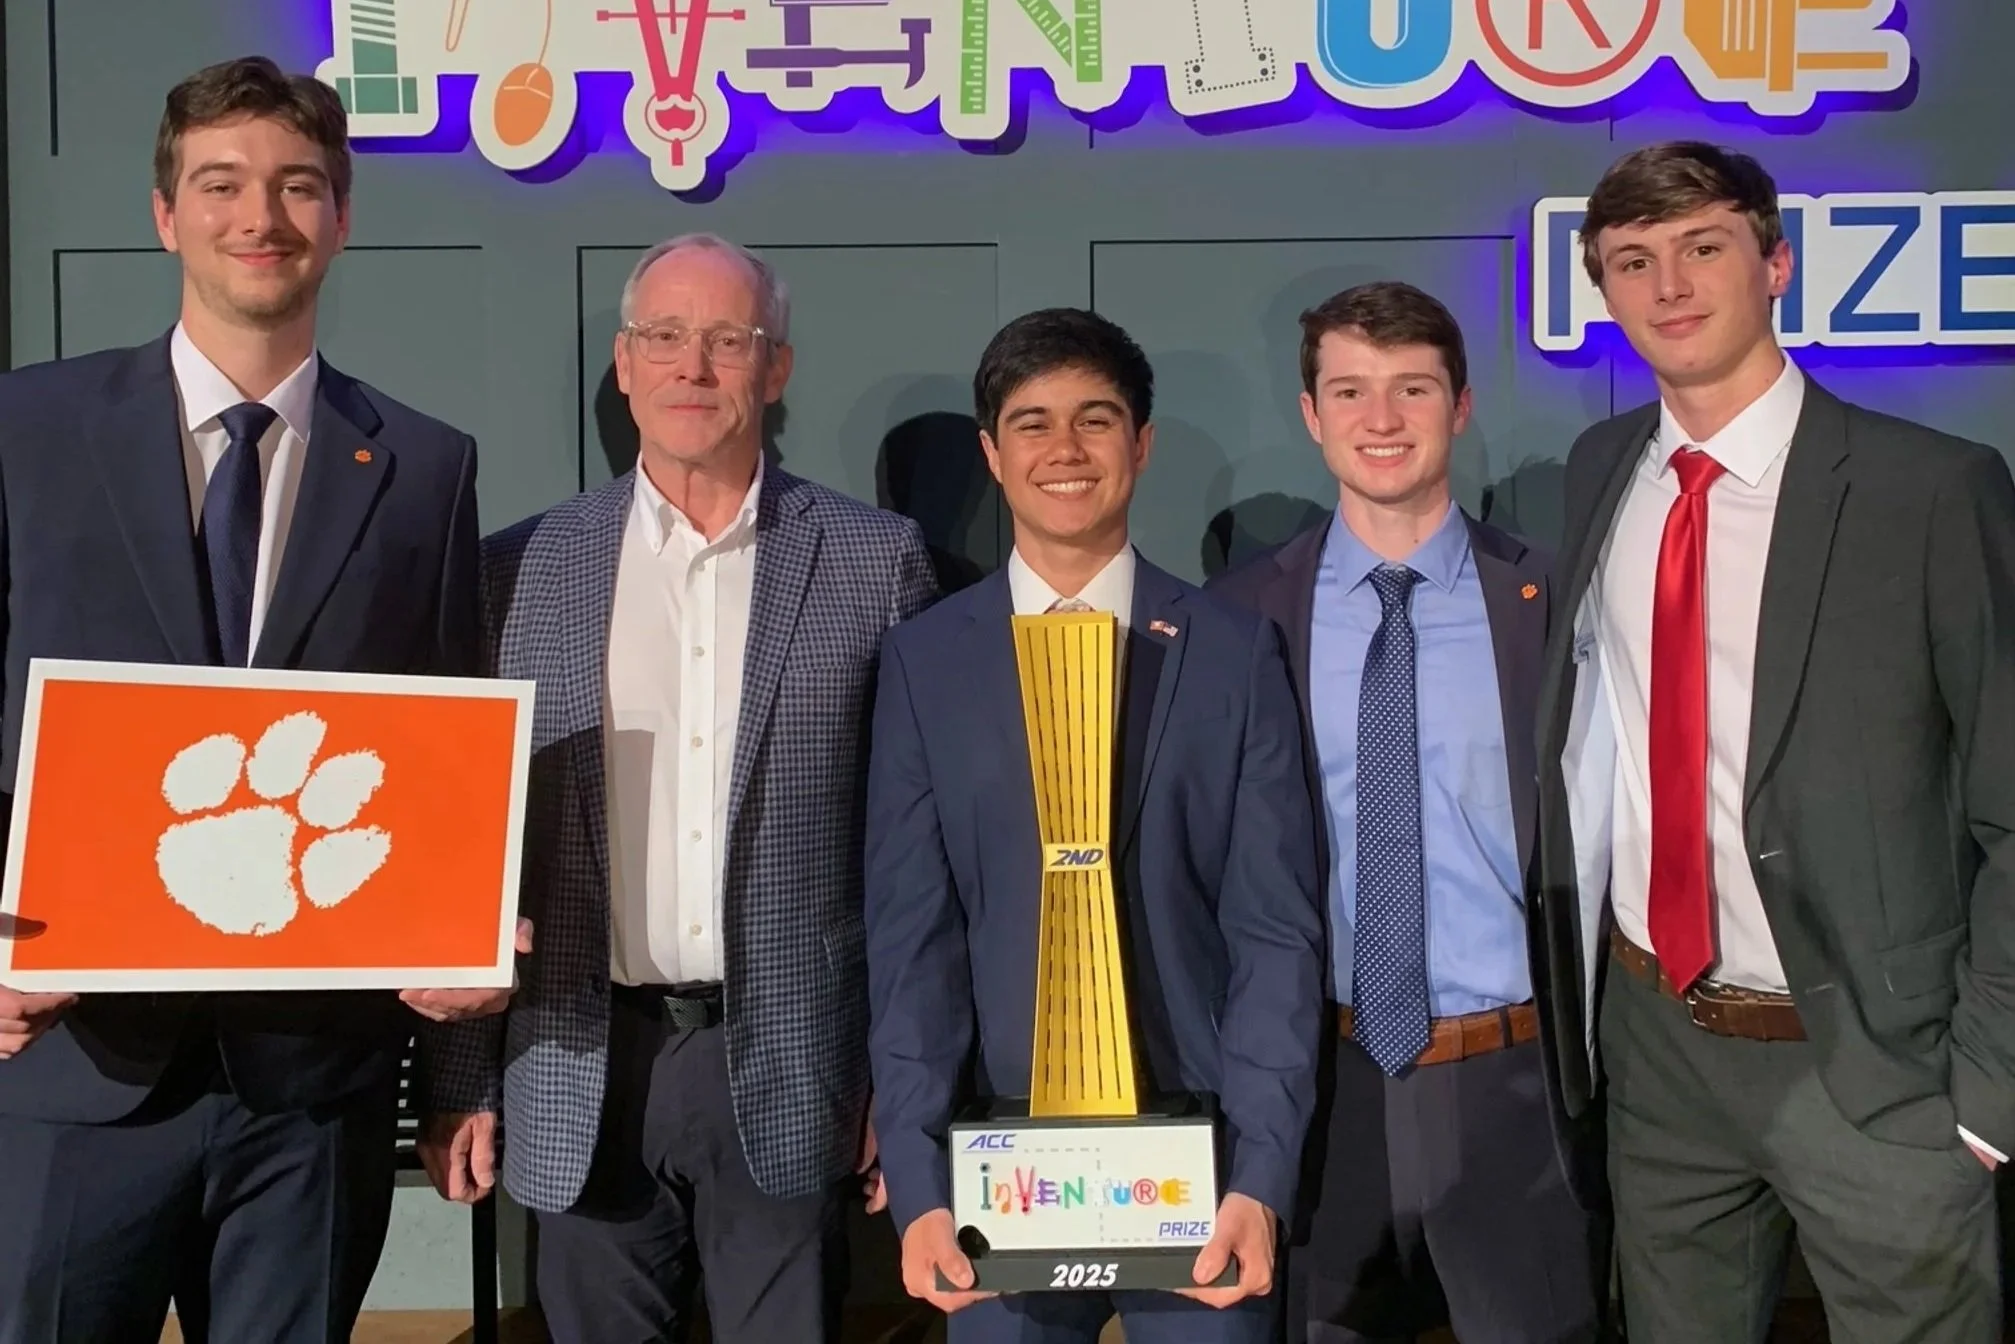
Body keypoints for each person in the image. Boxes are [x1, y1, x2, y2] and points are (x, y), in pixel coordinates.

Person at [0, 55, 512, 1344]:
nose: (260, 217)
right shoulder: (27, 428)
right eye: (220, 183)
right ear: (165, 213)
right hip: (73, 1065)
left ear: (340, 216)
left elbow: (441, 750)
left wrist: (458, 970)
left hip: (312, 1083)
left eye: (296, 186)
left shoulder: (422, 467)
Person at [1531, 139, 2015, 1341]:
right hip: (1658, 1047)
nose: (1669, 286)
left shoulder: (1928, 488)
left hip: (1872, 1065)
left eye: (1703, 247)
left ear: (1775, 262)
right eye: (1631, 261)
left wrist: (1986, 1088)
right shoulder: (1602, 469)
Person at [418, 232, 939, 1343]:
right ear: (623, 362)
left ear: (777, 368)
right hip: (575, 1057)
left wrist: (907, 1086)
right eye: (663, 337)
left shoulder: (872, 560)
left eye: (725, 340)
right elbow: (472, 839)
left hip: (796, 1062)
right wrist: (457, 1075)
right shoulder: (521, 567)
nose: (690, 366)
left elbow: (910, 859)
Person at [863, 307, 1326, 1344]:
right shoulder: (924, 663)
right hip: (999, 1165)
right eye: (1030, 423)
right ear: (990, 452)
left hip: (1199, 1165)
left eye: (1094, 419)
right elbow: (909, 947)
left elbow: (1273, 936)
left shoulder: (1231, 653)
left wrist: (1261, 1175)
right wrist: (920, 1176)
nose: (1063, 450)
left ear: (1141, 443)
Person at [1209, 281, 1604, 1343]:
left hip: (1511, 1083)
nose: (1379, 420)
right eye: (1349, 390)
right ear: (1310, 414)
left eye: (1409, 389)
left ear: (1459, 405)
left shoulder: (1553, 600)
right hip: (1319, 1089)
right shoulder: (1239, 616)